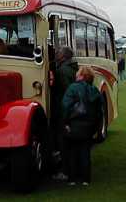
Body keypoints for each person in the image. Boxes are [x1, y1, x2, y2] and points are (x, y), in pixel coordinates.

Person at [62, 66, 103, 186]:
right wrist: (96, 127)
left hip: (74, 124)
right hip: (88, 126)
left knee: (72, 152)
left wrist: (65, 123)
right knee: (85, 152)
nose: (76, 75)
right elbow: (99, 112)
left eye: (78, 74)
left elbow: (65, 106)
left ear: (81, 76)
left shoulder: (72, 88)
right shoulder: (94, 90)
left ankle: (72, 179)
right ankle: (86, 179)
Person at [50, 46, 78, 181]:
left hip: (64, 111)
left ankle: (65, 172)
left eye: (58, 53)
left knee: (64, 143)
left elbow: (67, 94)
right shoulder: (72, 68)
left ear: (63, 57)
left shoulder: (62, 71)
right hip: (72, 111)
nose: (56, 54)